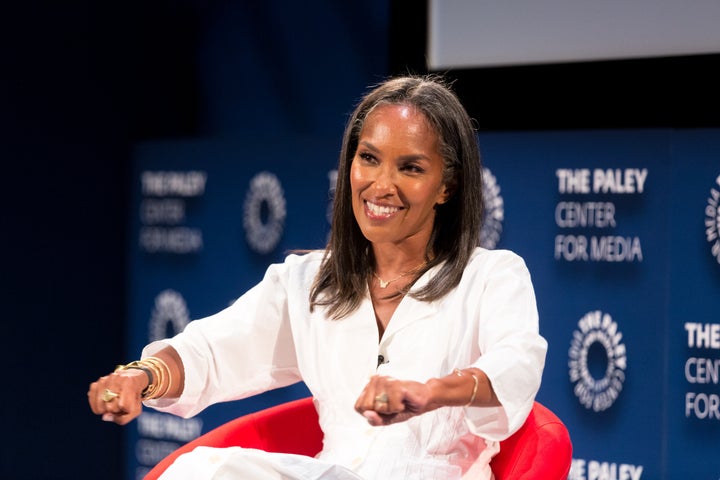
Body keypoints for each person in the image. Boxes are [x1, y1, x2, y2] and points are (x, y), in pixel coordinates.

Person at [88, 75, 547, 480]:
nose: (381, 184)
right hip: (333, 473)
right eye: (369, 158)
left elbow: (515, 365)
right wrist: (140, 376)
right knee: (202, 470)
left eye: (410, 168)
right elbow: (212, 350)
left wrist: (430, 392)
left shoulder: (492, 276)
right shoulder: (311, 282)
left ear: (447, 185)